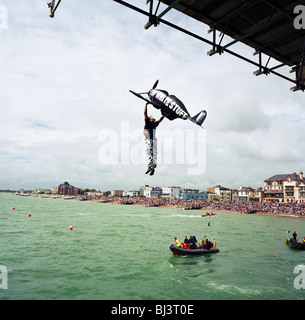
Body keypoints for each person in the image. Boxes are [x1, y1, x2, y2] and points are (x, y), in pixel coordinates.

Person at [144, 103, 164, 176]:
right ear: (149, 119)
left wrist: (164, 114)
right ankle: (151, 167)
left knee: (152, 153)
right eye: (152, 117)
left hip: (152, 140)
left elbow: (160, 120)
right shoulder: (148, 123)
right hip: (150, 140)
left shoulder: (154, 124)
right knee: (151, 153)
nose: (153, 117)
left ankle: (151, 167)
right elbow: (145, 113)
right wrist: (146, 105)